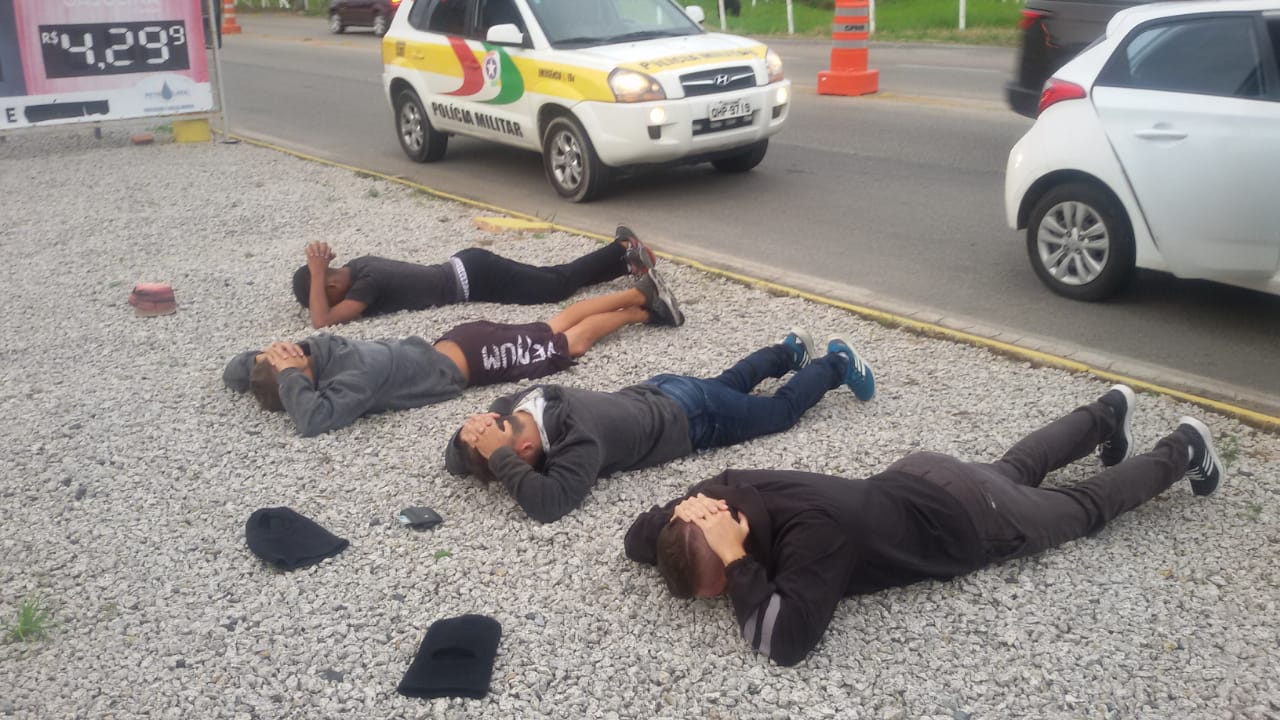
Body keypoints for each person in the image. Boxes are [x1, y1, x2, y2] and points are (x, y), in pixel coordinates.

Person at [623, 385, 1225, 666]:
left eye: (722, 585)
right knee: (1014, 469)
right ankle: (1106, 413)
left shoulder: (814, 537)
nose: (727, 593)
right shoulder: (720, 493)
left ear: (732, 537)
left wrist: (736, 565)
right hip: (920, 475)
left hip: (967, 522)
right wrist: (686, 521)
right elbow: (638, 536)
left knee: (1083, 509)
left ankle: (1184, 447)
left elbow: (785, 641)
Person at [445, 329, 876, 523]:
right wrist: (476, 437)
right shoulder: (526, 402)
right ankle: (789, 351)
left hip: (691, 419)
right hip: (663, 390)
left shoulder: (578, 438)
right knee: (730, 383)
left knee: (779, 413)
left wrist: (496, 454)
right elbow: (453, 460)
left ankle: (836, 363)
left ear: (521, 453)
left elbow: (549, 504)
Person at [224, 279, 682, 437]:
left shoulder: (353, 377)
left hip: (479, 360)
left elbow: (314, 421)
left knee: (568, 344)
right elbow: (240, 368)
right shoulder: (324, 350)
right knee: (553, 327)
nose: (293, 351)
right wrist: (267, 366)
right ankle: (636, 297)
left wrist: (286, 376)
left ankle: (641, 309)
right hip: (465, 343)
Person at [293, 225, 658, 328]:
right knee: (550, 279)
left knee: (554, 287)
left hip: (476, 278)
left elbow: (322, 321)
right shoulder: (359, 265)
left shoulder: (365, 284)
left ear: (328, 285)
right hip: (469, 268)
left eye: (327, 293)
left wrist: (315, 271)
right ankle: (626, 263)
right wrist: (318, 272)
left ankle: (620, 248)